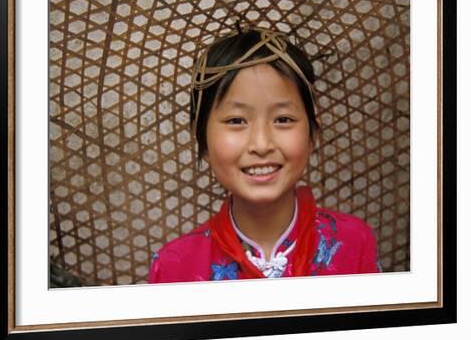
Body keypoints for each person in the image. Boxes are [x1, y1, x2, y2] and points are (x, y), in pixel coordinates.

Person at [148, 26, 380, 283]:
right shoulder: (174, 267)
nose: (261, 144)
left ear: (312, 132)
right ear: (203, 140)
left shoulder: (354, 243)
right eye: (236, 120)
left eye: (283, 119)